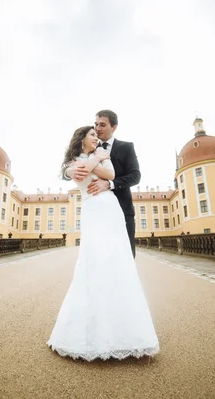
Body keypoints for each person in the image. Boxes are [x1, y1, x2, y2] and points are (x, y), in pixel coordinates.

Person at [47, 125, 159, 361]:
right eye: (92, 135)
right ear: (81, 141)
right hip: (94, 211)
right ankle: (93, 333)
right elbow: (77, 173)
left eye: (98, 135)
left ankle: (126, 332)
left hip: (112, 211)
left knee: (118, 263)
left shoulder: (101, 156)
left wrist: (95, 160)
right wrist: (95, 158)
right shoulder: (72, 164)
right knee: (94, 263)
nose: (97, 138)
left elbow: (110, 176)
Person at [65, 110, 140, 257]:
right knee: (98, 254)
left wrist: (109, 184)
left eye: (102, 125)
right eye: (96, 125)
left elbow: (135, 176)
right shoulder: (89, 149)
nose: (98, 129)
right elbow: (69, 166)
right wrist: (68, 172)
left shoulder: (126, 147)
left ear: (114, 127)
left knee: (125, 255)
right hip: (95, 209)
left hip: (122, 209)